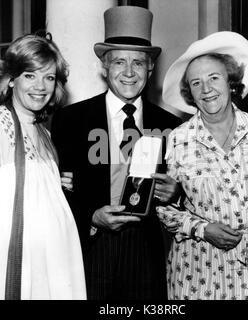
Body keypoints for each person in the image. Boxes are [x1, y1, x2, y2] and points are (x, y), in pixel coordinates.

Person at [51, 6, 181, 300]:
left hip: (148, 249)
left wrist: (177, 192)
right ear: (104, 67)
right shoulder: (71, 119)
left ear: (150, 68)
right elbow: (57, 189)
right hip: (92, 244)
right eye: (119, 62)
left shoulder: (171, 126)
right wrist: (92, 216)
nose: (129, 72)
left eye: (138, 62)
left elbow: (189, 193)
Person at [0, 33, 86, 300]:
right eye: (30, 75)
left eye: (49, 77)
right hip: (8, 277)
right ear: (11, 79)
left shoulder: (42, 133)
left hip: (48, 273)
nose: (41, 86)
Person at [158, 31, 248, 300]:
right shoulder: (179, 138)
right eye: (196, 83)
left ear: (231, 82)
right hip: (196, 270)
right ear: (190, 93)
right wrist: (202, 229)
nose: (206, 89)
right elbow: (163, 209)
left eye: (214, 78)